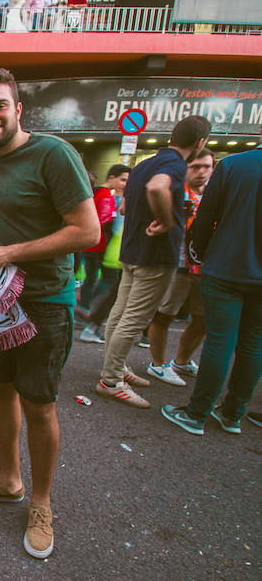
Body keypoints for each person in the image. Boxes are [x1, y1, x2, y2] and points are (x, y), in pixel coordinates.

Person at [0, 68, 99, 559]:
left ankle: (41, 503)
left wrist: (6, 253)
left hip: (43, 303)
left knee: (39, 403)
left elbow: (86, 231)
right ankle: (8, 479)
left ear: (19, 109)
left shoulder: (53, 154)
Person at [95, 116, 210, 408]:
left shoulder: (144, 163)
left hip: (133, 251)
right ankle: (111, 380)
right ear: (200, 143)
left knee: (121, 314)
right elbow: (157, 189)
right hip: (155, 256)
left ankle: (116, 370)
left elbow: (123, 205)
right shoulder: (173, 165)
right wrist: (169, 220)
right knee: (133, 318)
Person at [162, 137, 262, 436]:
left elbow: (205, 218)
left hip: (226, 266)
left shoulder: (234, 164)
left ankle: (196, 413)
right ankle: (232, 414)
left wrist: (199, 254)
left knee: (220, 340)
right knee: (254, 343)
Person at [146, 149, 214, 386]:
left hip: (208, 267)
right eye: (195, 167)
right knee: (164, 315)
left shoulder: (216, 196)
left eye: (206, 167)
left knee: (202, 318)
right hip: (179, 264)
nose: (201, 172)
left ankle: (182, 360)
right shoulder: (175, 194)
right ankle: (157, 363)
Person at [79, 164, 130, 343]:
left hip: (89, 243)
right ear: (111, 178)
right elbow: (107, 221)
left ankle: (84, 306)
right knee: (108, 281)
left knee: (92, 277)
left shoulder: (94, 192)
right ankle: (88, 308)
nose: (125, 184)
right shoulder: (105, 196)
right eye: (123, 179)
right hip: (101, 245)